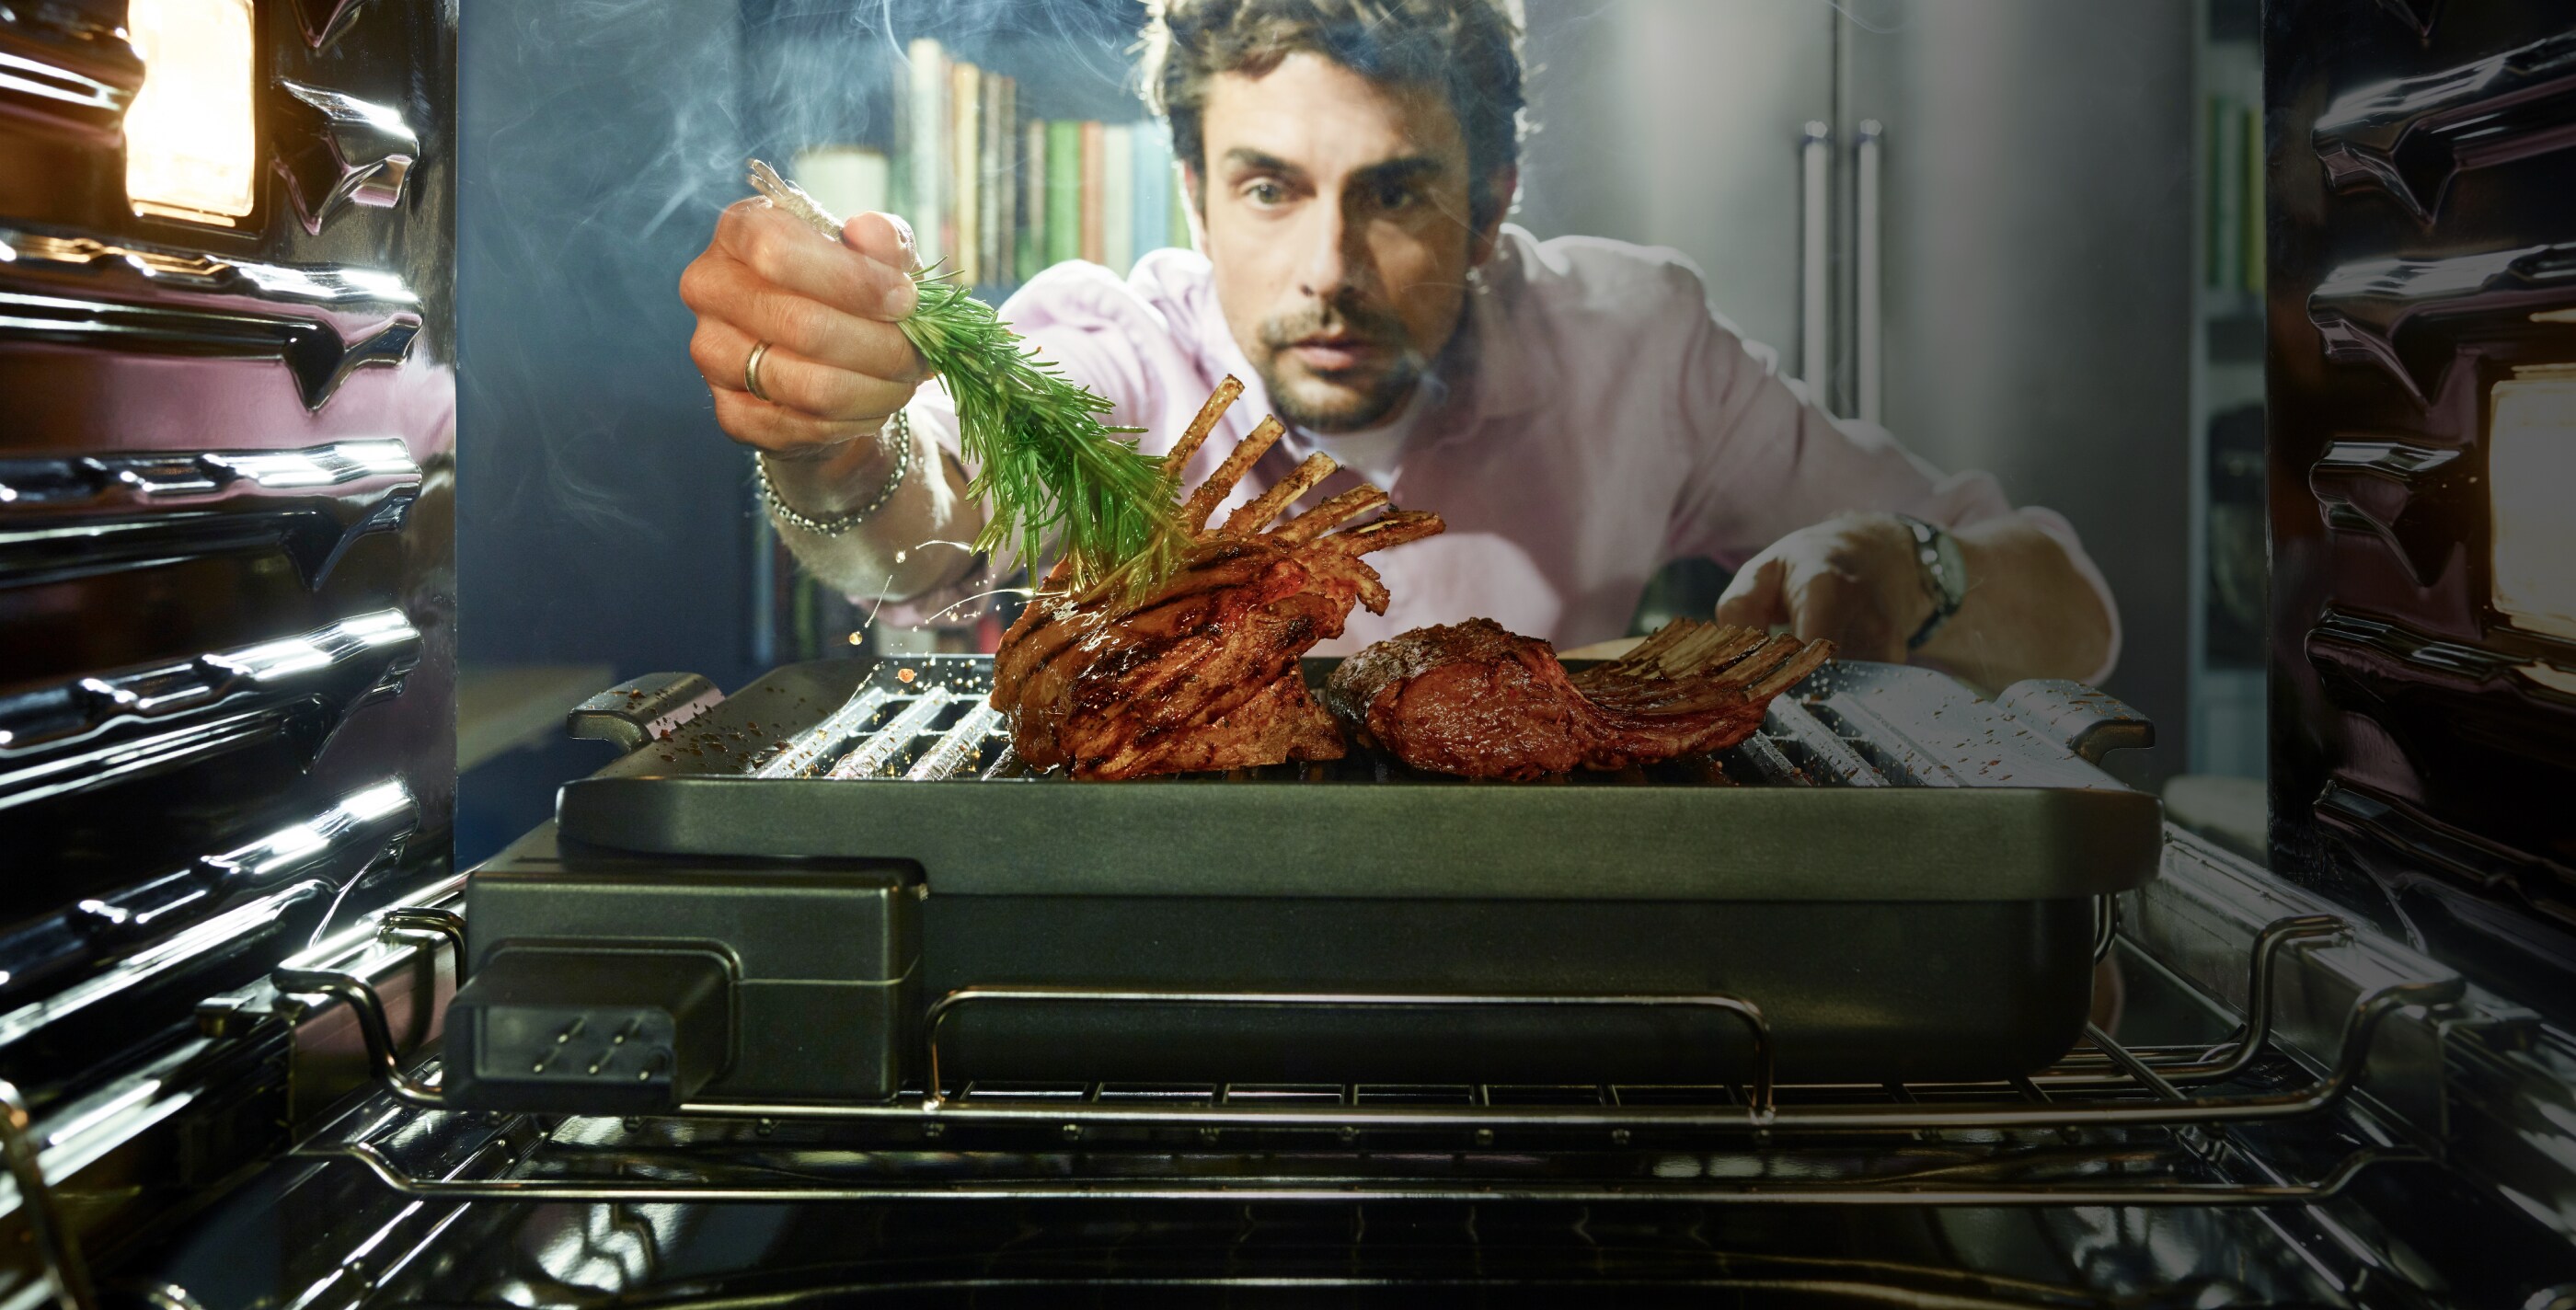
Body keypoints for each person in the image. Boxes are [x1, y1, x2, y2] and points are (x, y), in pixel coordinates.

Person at [677, 0, 2116, 686]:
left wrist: (1909, 575)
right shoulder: (1114, 353)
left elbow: (2072, 614)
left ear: (1492, 201)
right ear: (1193, 192)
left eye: (1397, 195)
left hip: (1560, 1027)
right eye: (1269, 188)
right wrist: (834, 437)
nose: (1329, 272)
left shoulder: (1636, 346)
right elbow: (922, 526)